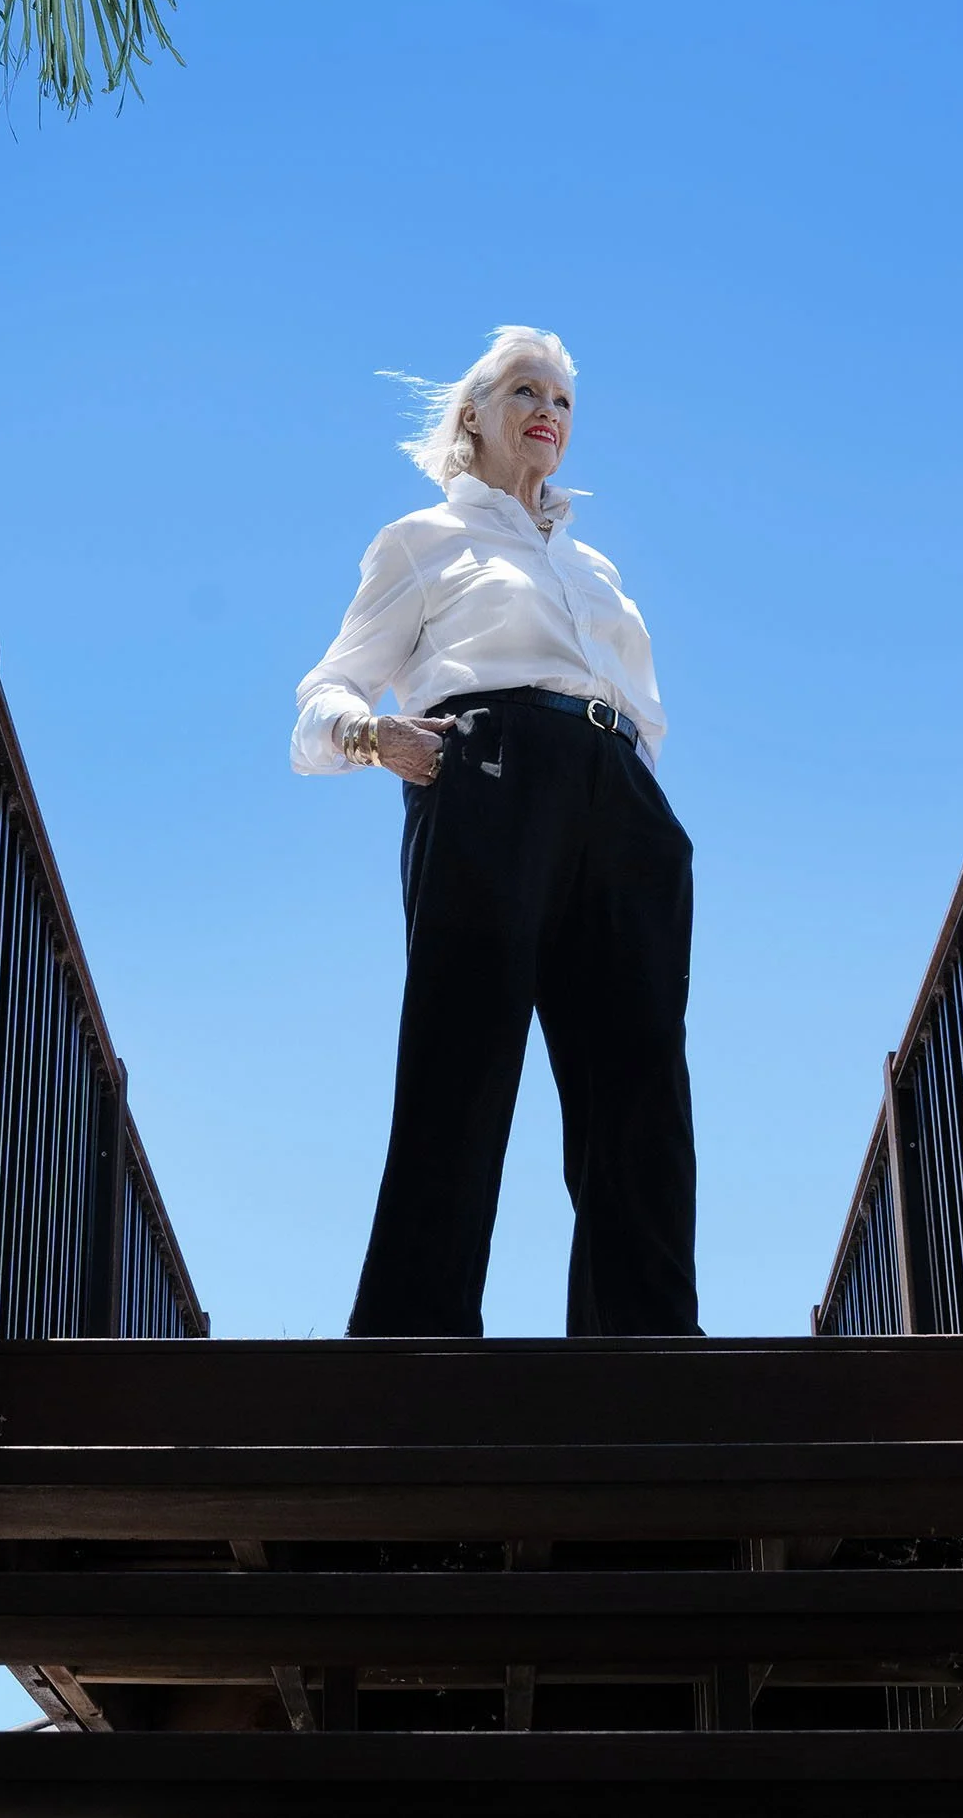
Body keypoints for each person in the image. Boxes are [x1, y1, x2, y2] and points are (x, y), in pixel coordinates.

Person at [291, 326, 700, 1339]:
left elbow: (640, 705)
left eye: (561, 398)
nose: (547, 411)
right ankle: (411, 1337)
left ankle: (645, 1343)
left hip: (620, 800)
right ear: (472, 413)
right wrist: (363, 732)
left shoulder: (595, 565)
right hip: (487, 772)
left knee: (640, 1079)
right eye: (525, 389)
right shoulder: (421, 542)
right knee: (461, 1053)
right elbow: (325, 690)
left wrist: (644, 809)